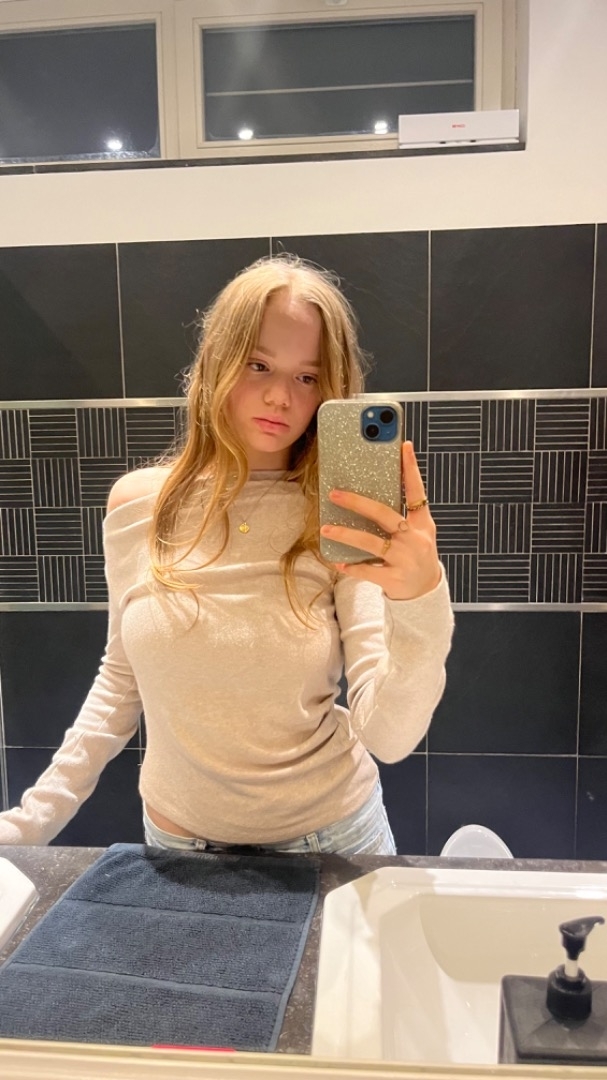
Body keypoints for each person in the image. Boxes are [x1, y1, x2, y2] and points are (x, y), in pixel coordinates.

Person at [0, 254, 454, 855]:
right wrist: (27, 825)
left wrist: (422, 600)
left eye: (308, 377)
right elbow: (121, 679)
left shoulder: (339, 516)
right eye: (258, 365)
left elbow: (389, 737)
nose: (280, 396)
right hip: (177, 849)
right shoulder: (138, 505)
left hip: (331, 842)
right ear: (217, 361)